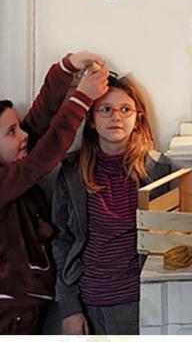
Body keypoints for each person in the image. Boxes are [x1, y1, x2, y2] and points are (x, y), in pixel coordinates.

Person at [0, 51, 109, 335]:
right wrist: (81, 99)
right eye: (12, 131)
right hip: (3, 317)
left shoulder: (5, 163)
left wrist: (66, 67)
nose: (24, 135)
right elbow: (39, 161)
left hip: (22, 308)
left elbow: (40, 117)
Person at [52, 73, 171, 335]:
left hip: (140, 302)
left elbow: (169, 241)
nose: (115, 116)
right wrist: (70, 308)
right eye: (105, 109)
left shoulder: (157, 170)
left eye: (125, 109)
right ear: (91, 121)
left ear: (138, 118)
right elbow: (62, 241)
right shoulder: (72, 171)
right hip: (89, 304)